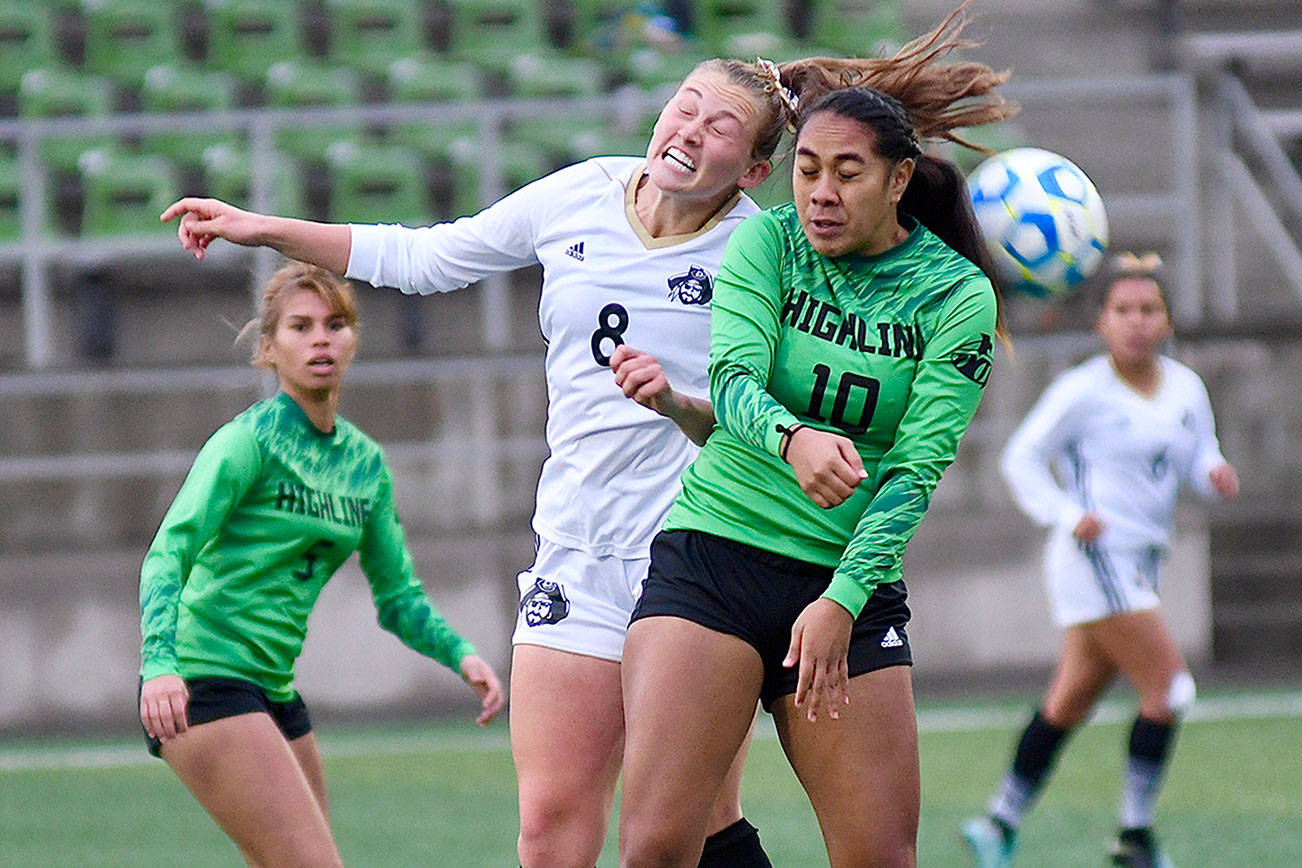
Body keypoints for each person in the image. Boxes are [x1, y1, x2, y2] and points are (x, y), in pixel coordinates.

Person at [158, 10, 1003, 864]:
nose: (688, 132)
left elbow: (778, 399)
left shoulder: (765, 246)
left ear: (751, 170)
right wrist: (260, 226)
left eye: (719, 128)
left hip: (707, 549)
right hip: (580, 551)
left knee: (697, 825)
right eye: (684, 106)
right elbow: (425, 257)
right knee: (552, 832)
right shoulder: (581, 194)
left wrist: (681, 404)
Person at [616, 43, 1017, 868]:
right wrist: (792, 438)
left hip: (847, 583)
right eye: (806, 170)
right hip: (714, 559)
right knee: (656, 848)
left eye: (848, 173)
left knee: (878, 858)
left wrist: (841, 601)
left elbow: (915, 471)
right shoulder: (768, 243)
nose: (821, 195)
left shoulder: (954, 294)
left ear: (898, 180)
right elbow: (730, 379)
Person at [138, 262, 506, 867]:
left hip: (274, 690)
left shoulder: (364, 463)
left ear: (354, 340)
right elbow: (167, 553)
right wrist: (159, 664)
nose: (320, 340)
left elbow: (398, 597)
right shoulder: (247, 442)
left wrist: (460, 653)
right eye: (300, 326)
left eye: (336, 325)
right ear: (268, 347)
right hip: (201, 680)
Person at [961, 252, 1239, 868]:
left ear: (1166, 321)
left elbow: (1196, 450)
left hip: (1140, 562)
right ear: (1102, 323)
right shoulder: (1081, 390)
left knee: (1070, 701)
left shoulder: (1186, 387)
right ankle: (1134, 837)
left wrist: (1211, 470)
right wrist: (1065, 513)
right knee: (1171, 689)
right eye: (1124, 310)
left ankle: (997, 820)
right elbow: (1021, 458)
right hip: (1093, 556)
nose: (1137, 321)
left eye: (1149, 309)